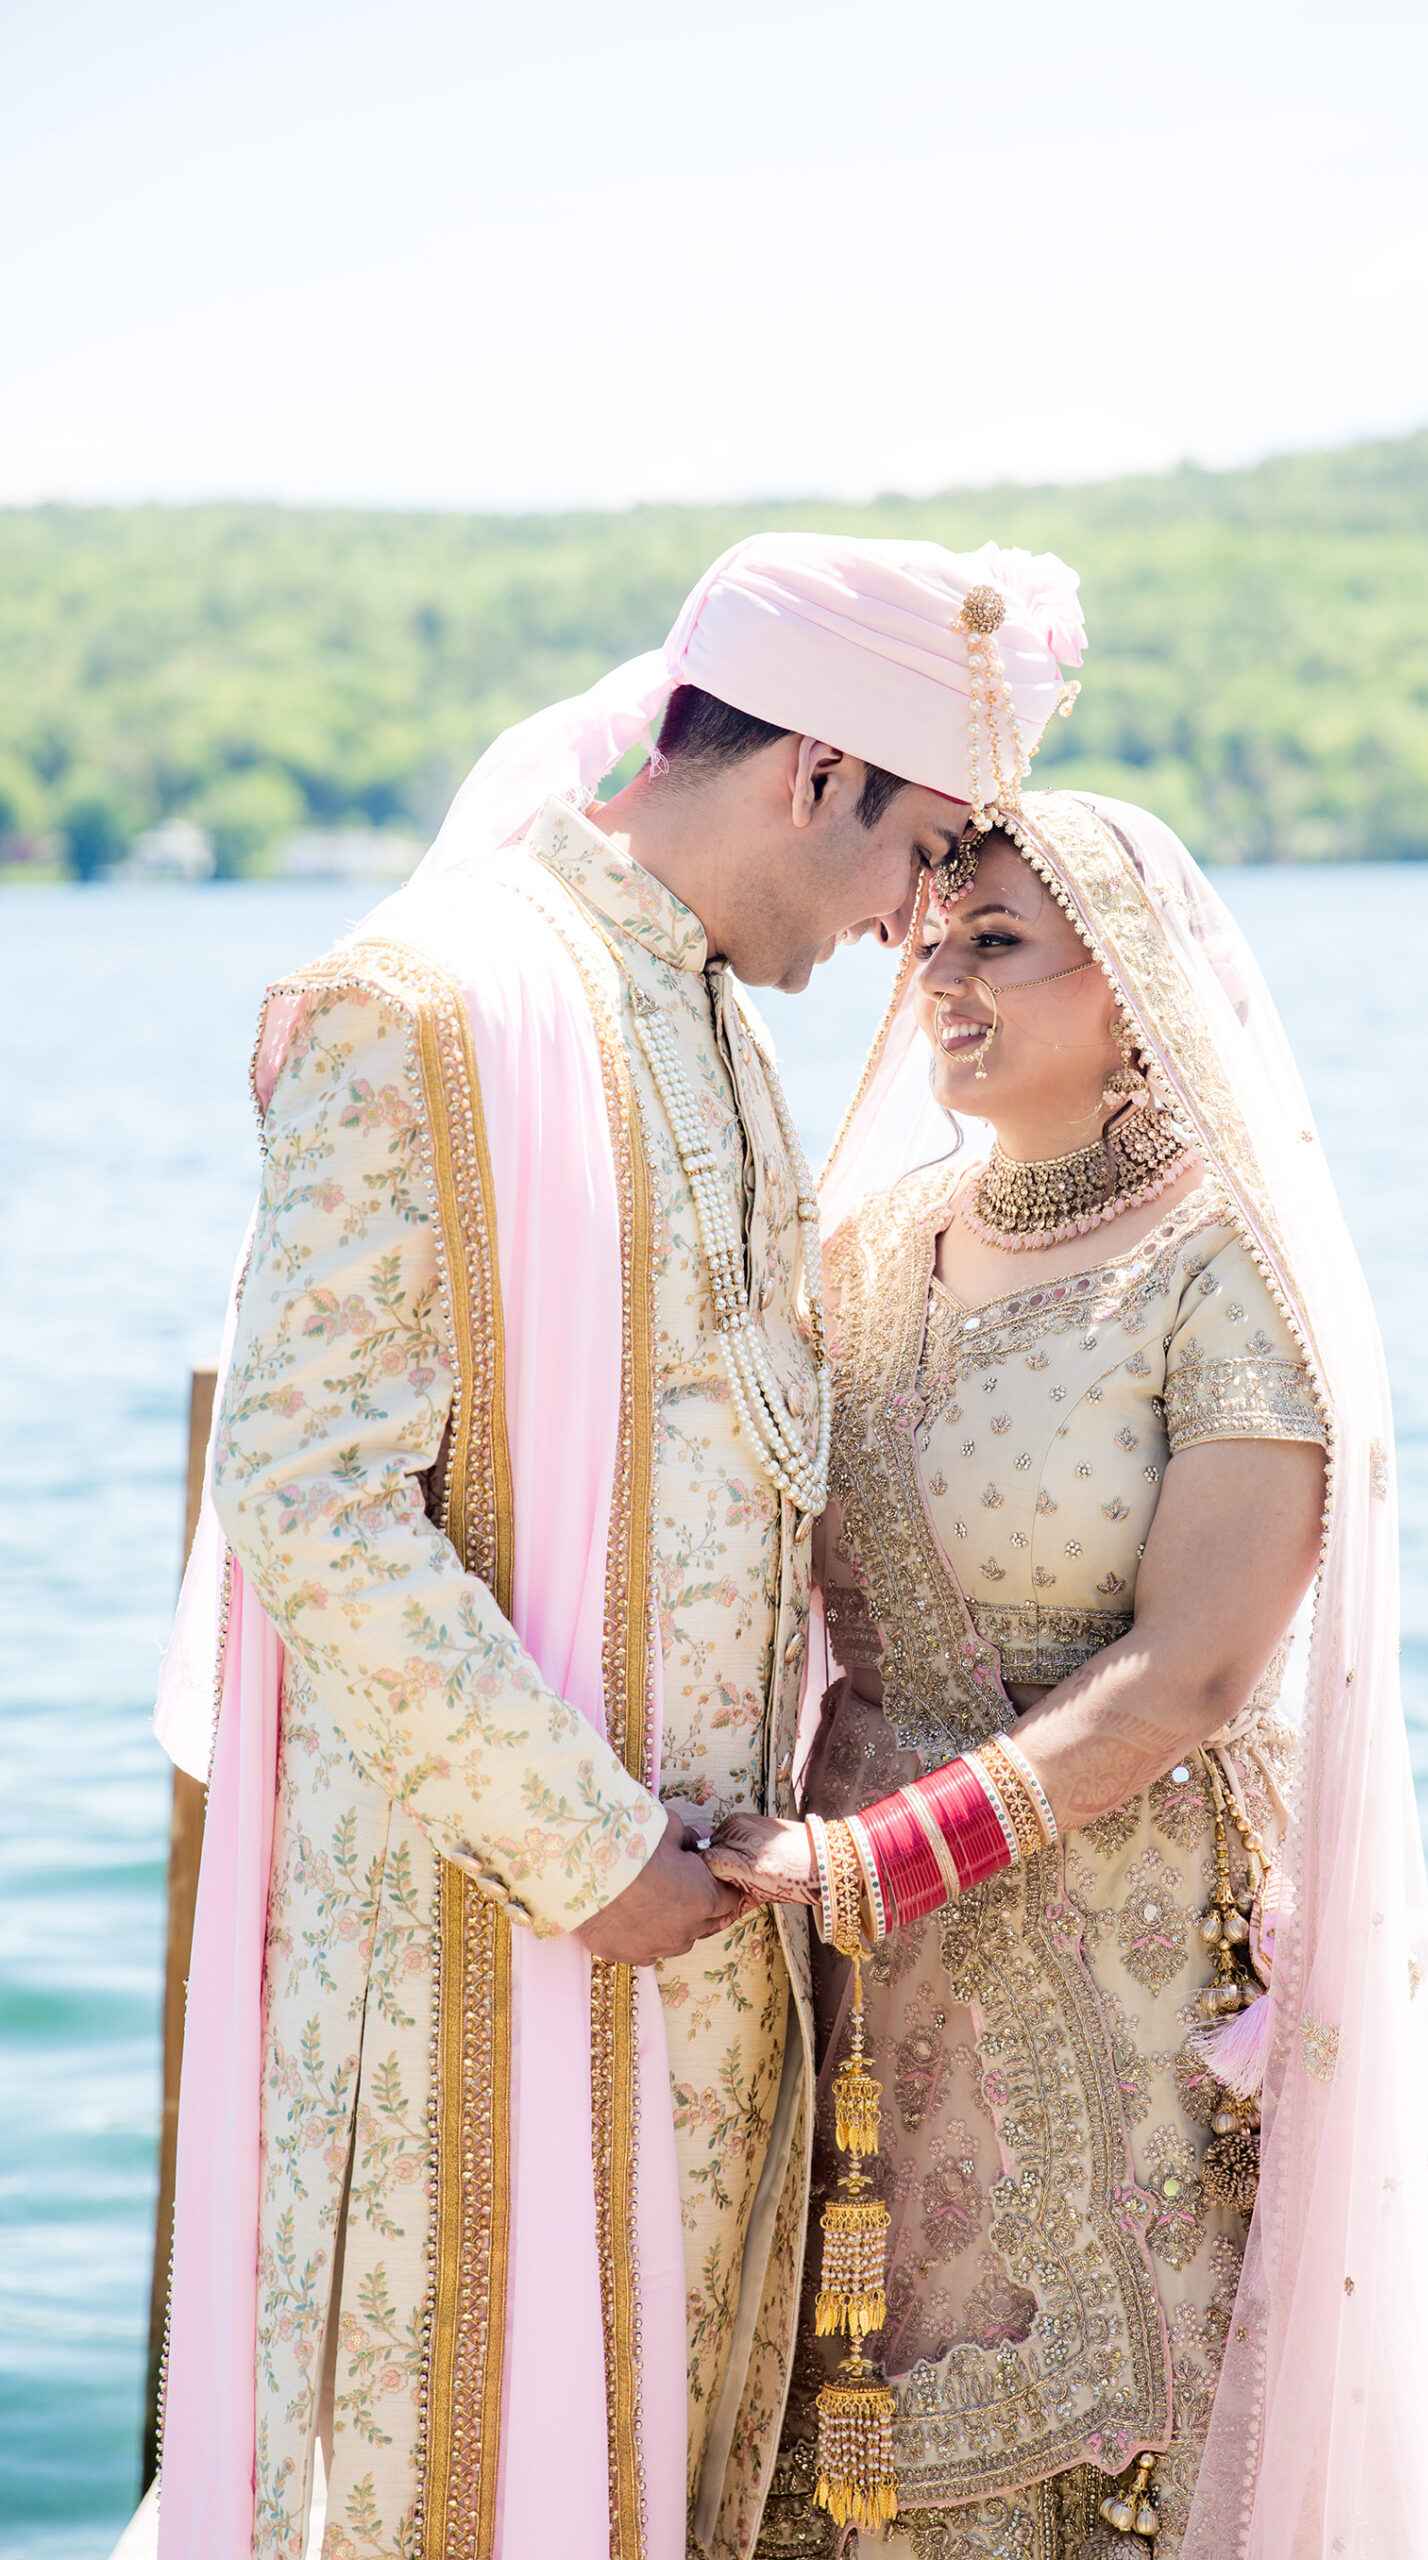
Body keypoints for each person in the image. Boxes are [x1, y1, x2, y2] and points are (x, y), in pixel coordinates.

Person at [150, 538, 1087, 2560]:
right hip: (477, 1955)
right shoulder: (427, 1000)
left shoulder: (708, 1021)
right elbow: (306, 1485)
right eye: (914, 851)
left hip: (697, 1977)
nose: (907, 923)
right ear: (809, 772)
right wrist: (591, 1849)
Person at [708, 797, 1428, 2558]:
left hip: (1117, 1951)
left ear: (1134, 986)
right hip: (856, 1967)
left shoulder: (1223, 1277)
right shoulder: (863, 1249)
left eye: (995, 941)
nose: (938, 975)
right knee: (838, 2452)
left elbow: (1191, 1676)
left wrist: (870, 1863)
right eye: (925, 937)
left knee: (1113, 2460)